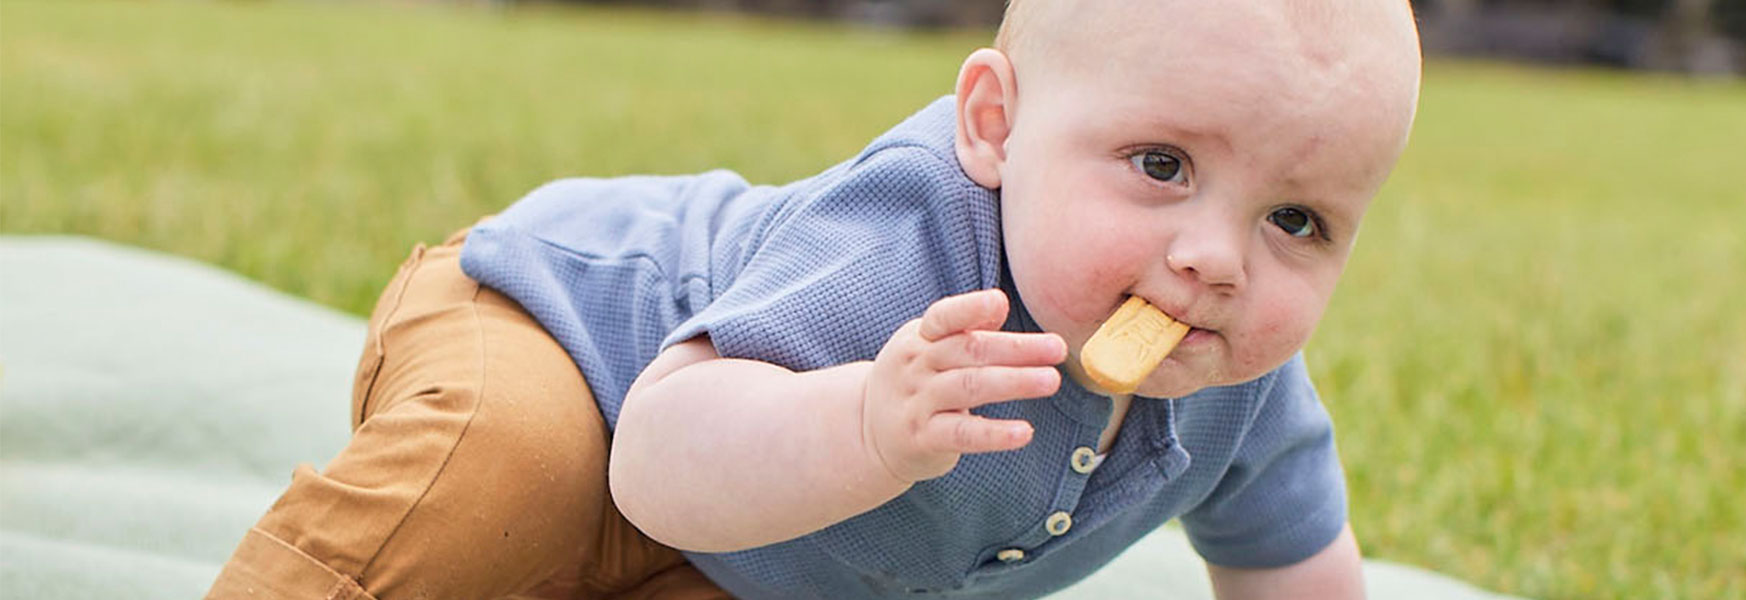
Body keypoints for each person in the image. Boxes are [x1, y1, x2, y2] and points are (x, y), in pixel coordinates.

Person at [207, 0, 1422, 597]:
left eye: (1297, 221)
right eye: (1162, 167)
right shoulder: (909, 240)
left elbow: (1295, 573)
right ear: (995, 126)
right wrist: (860, 429)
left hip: (742, 558)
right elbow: (654, 460)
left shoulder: (1237, 389)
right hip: (573, 339)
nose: (1218, 261)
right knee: (506, 471)